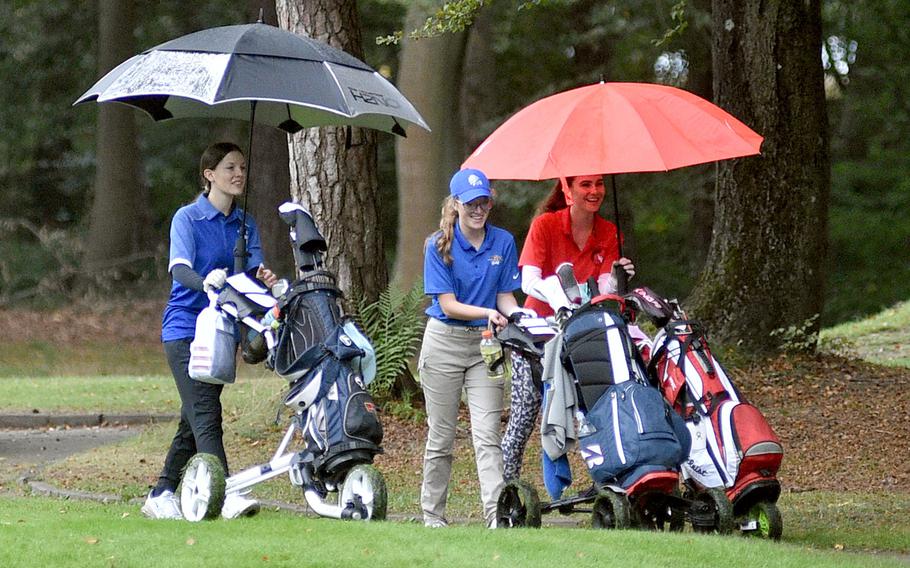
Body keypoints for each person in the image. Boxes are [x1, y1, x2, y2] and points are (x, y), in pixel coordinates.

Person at [142, 142, 278, 520]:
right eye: (230, 167)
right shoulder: (187, 218)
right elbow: (180, 270)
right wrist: (207, 283)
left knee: (193, 416)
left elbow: (250, 279)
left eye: (243, 168)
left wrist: (262, 278)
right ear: (209, 174)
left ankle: (162, 492)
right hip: (186, 329)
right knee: (205, 413)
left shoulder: (245, 223)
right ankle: (226, 492)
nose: (239, 174)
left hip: (222, 332)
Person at [501, 174, 637, 482]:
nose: (595, 191)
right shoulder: (546, 225)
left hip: (582, 331)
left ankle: (610, 480)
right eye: (586, 185)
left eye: (599, 184)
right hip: (539, 335)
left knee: (597, 408)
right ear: (568, 189)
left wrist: (619, 277)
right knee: (525, 415)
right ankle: (504, 490)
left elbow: (604, 289)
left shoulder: (608, 231)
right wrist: (558, 295)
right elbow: (529, 281)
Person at [419, 168, 523, 529]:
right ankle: (433, 515)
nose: (479, 210)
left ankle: (496, 516)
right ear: (456, 205)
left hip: (486, 347)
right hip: (444, 342)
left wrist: (518, 315)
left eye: (484, 203)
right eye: (471, 204)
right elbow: (447, 304)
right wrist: (489, 312)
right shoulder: (438, 245)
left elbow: (505, 296)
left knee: (487, 435)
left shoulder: (503, 242)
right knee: (442, 435)